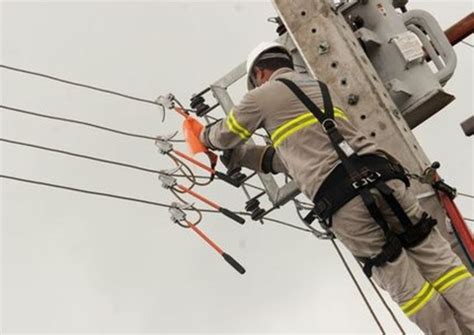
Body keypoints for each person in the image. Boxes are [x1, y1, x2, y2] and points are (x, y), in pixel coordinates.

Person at [199, 41, 474, 334]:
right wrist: (246, 158)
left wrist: (202, 137)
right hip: (384, 179)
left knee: (405, 283)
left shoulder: (262, 96)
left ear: (260, 73)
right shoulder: (318, 88)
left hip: (344, 201)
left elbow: (225, 135)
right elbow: (292, 158)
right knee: (441, 264)